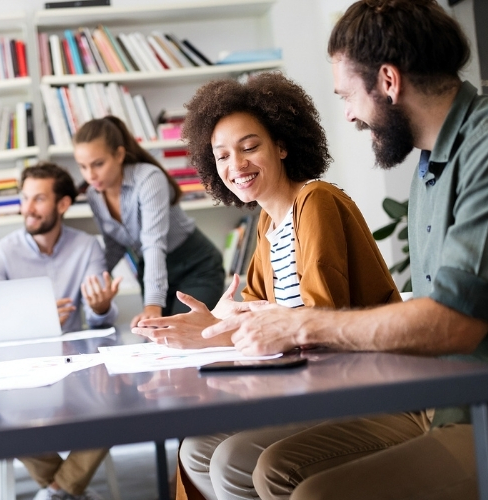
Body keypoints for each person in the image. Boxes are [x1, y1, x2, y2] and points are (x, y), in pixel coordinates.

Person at [200, 2, 488, 499]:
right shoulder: (430, 167)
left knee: (315, 492)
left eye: (347, 96)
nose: (349, 115)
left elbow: (453, 323)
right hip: (444, 404)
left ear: (387, 80)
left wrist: (300, 323)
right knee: (263, 466)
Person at [132, 72, 401, 500]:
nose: (235, 166)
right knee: (197, 451)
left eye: (249, 147)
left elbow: (319, 323)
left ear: (282, 144)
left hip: (360, 388)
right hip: (308, 383)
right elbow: (255, 311)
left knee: (227, 458)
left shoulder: (315, 203)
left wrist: (225, 330)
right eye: (221, 156)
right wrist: (212, 326)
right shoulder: (268, 222)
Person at [0, 162, 119, 500]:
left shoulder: (87, 247)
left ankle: (57, 490)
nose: (27, 209)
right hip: (19, 370)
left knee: (116, 409)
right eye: (25, 198)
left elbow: (99, 321)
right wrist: (33, 321)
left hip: (74, 367)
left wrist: (101, 308)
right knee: (6, 417)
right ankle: (68, 490)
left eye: (38, 199)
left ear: (62, 204)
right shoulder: (2, 253)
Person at [73, 116, 225, 327]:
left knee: (183, 332)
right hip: (152, 268)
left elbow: (153, 243)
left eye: (98, 164)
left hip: (194, 267)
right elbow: (114, 246)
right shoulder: (93, 194)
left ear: (118, 154)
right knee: (156, 341)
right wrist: (93, 285)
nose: (90, 175)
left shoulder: (148, 179)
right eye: (82, 167)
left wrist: (152, 306)